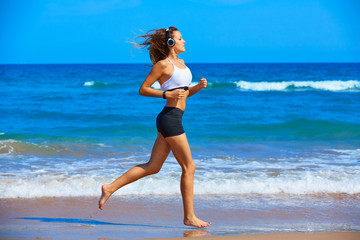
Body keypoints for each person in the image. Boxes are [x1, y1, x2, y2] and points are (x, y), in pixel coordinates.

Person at [98, 26, 211, 228]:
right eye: (180, 38)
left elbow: (183, 95)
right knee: (189, 166)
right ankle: (189, 217)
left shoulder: (182, 64)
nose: (184, 41)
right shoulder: (162, 65)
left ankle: (110, 188)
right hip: (170, 119)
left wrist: (197, 88)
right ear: (170, 43)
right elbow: (143, 89)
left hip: (173, 118)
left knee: (153, 167)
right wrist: (166, 94)